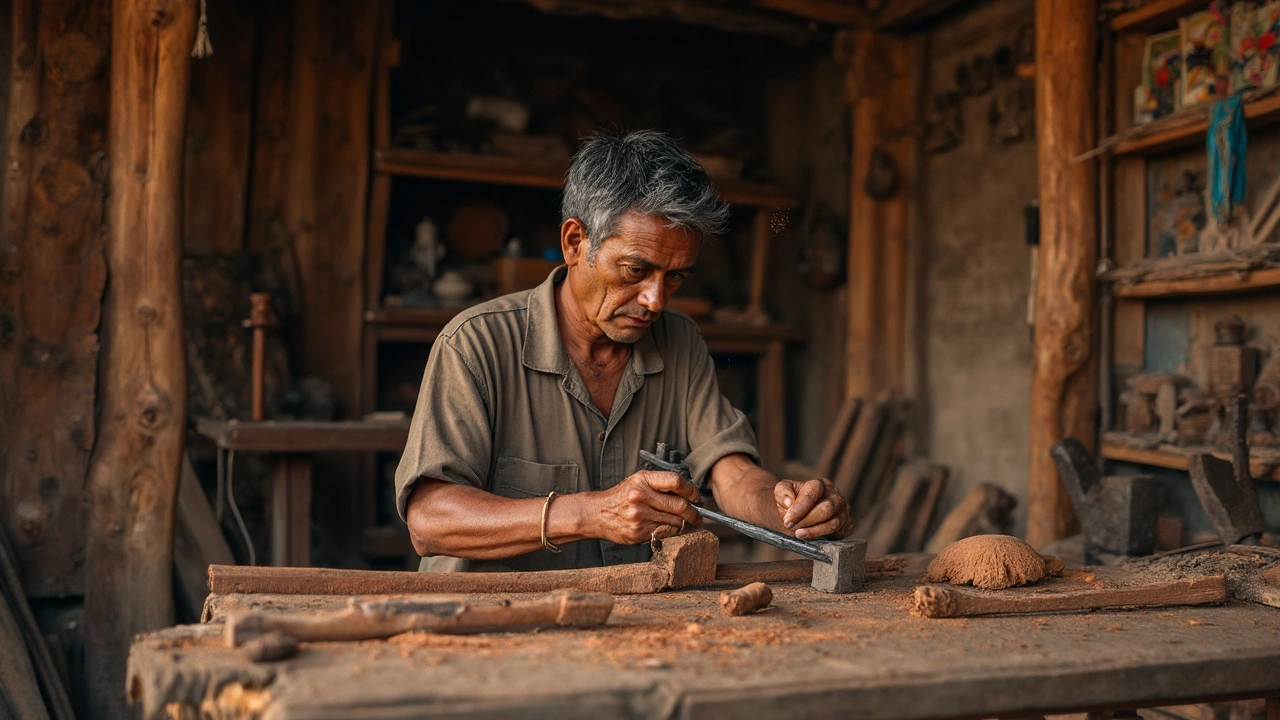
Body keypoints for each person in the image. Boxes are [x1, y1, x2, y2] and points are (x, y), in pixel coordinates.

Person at [395, 129, 852, 572]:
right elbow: (429, 520)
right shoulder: (475, 345)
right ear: (575, 243)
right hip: (491, 632)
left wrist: (790, 511)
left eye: (675, 277)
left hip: (625, 629)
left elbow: (730, 472)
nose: (656, 300)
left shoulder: (680, 341)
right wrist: (590, 513)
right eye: (636, 269)